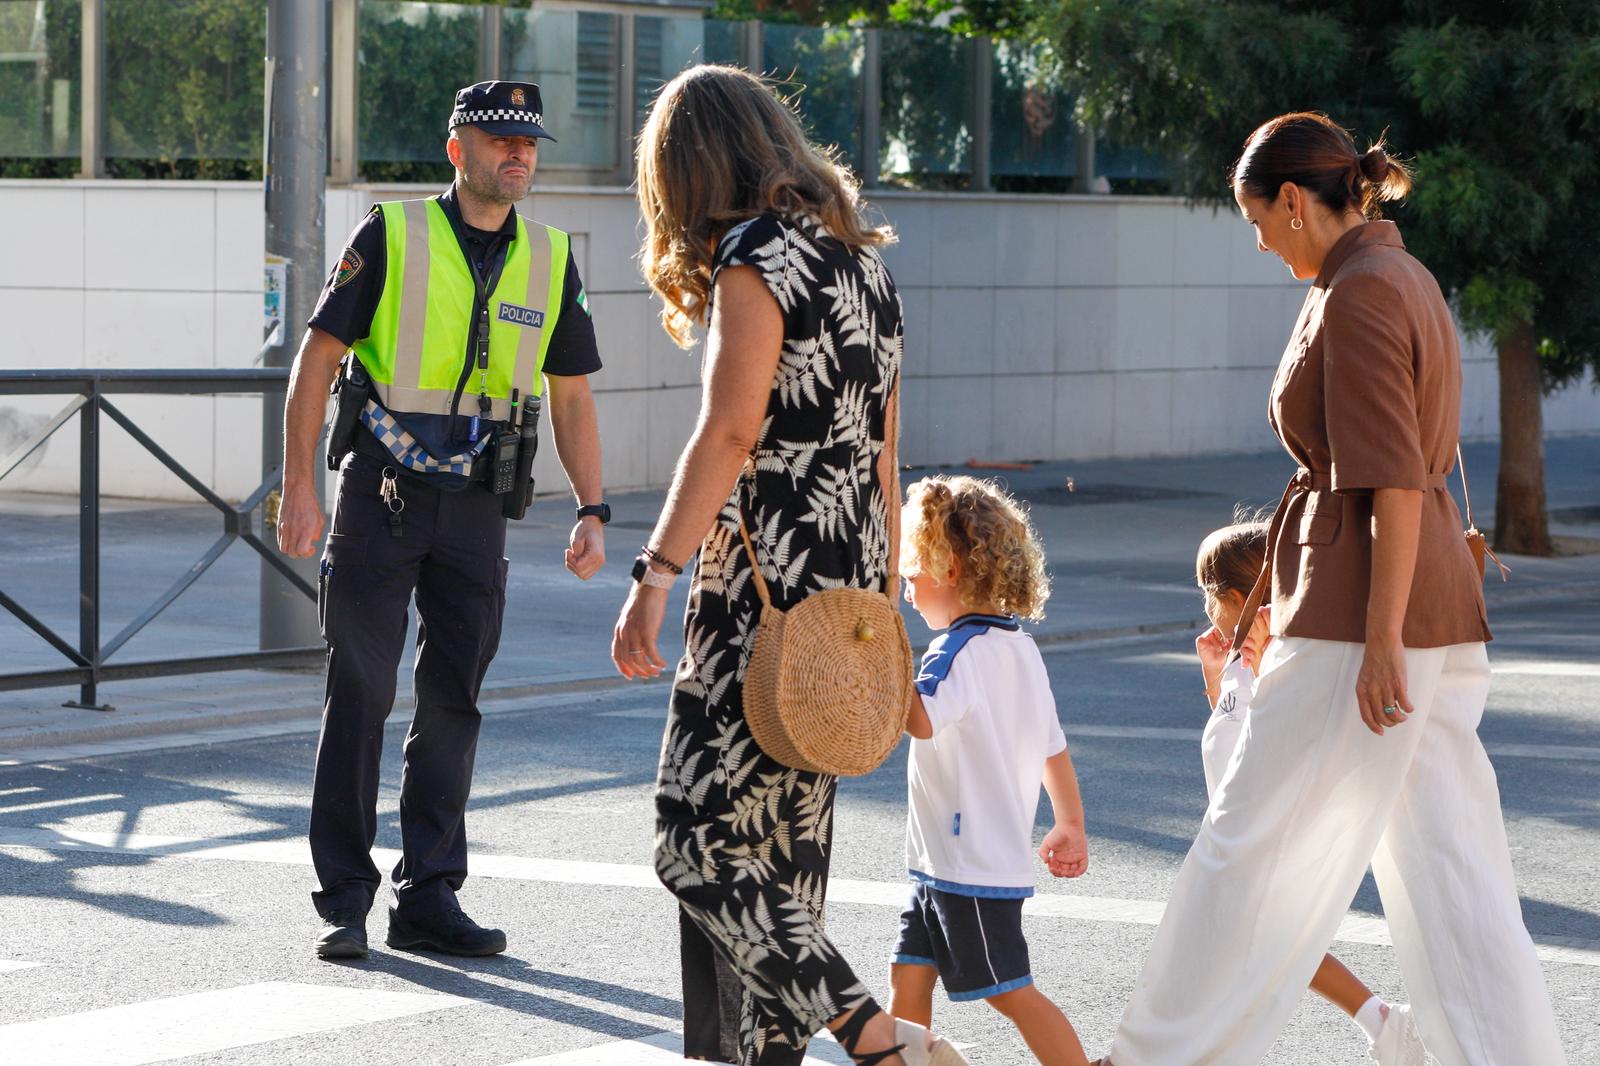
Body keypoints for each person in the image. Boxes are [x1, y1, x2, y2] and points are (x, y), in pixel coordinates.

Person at [1097, 112, 1567, 1065]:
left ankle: (1155, 1056)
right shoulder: (1402, 277)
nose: (1262, 244)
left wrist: (1381, 636)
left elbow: (1390, 477)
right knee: (1454, 876)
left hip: (1362, 607)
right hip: (1424, 602)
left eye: (1258, 222)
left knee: (1248, 842)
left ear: (1295, 200)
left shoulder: (1357, 293)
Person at [610, 65, 966, 1066]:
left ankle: (874, 1034)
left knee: (695, 844)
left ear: (688, 172)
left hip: (759, 592)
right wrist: (885, 620)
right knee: (781, 869)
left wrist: (654, 573)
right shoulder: (864, 268)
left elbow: (728, 433)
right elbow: (889, 457)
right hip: (843, 598)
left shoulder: (753, 259)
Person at [276, 80, 609, 961]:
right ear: (457, 147)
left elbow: (571, 397)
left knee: (453, 699)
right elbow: (315, 362)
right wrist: (298, 485)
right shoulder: (391, 233)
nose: (520, 155)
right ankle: (345, 898)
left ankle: (429, 896)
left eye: (530, 143)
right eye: (502, 140)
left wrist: (594, 507)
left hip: (477, 510)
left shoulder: (549, 256)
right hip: (379, 495)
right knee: (362, 692)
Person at [1193, 521, 1426, 1066]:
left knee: (1260, 944)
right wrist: (1217, 680)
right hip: (1244, 831)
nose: (1207, 613)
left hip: (1256, 835)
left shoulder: (1277, 664)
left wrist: (1233, 680)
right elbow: (1234, 742)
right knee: (1268, 943)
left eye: (1209, 597)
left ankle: (1383, 1023)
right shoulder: (1247, 664)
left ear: (1235, 597)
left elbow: (1258, 747)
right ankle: (1383, 1023)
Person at [891, 476, 1092, 1066]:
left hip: (965, 863)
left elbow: (922, 719)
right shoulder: (1019, 648)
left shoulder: (955, 652)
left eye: (910, 574)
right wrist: (1070, 822)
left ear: (949, 569)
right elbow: (1052, 746)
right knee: (909, 974)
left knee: (1010, 991)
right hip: (948, 862)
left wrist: (882, 655)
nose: (905, 590)